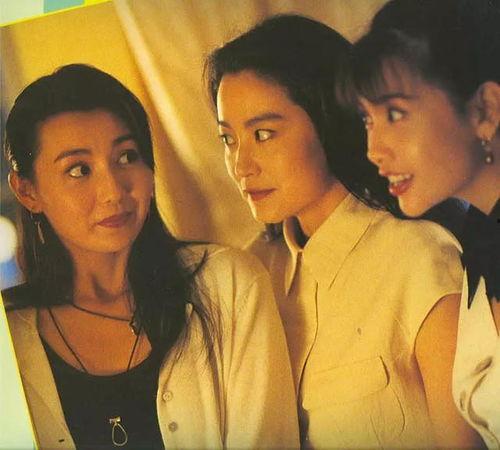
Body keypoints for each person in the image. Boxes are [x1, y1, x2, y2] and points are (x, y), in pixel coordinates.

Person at [205, 14, 481, 449]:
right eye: (228, 139)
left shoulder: (418, 258)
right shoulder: (248, 276)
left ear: (328, 122)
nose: (242, 165)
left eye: (263, 134)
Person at [1, 63, 299, 449]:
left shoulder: (228, 284)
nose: (113, 191)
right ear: (27, 192)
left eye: (127, 157)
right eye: (78, 170)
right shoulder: (10, 338)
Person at [342, 0, 500, 447]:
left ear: (485, 110)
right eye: (367, 119)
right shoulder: (477, 247)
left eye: (395, 114)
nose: (374, 149)